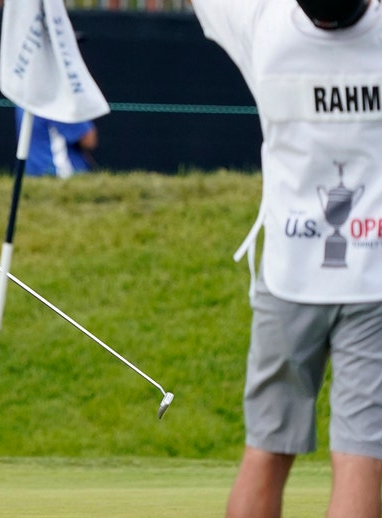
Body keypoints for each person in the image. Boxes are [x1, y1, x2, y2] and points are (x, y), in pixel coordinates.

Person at [189, 1, 382, 517]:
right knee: (362, 454)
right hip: (372, 276)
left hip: (290, 273)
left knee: (267, 451)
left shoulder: (262, 25)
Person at [15, 106, 98, 178]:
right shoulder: (55, 101)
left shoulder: (23, 98)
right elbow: (88, 140)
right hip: (64, 176)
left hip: (33, 177)